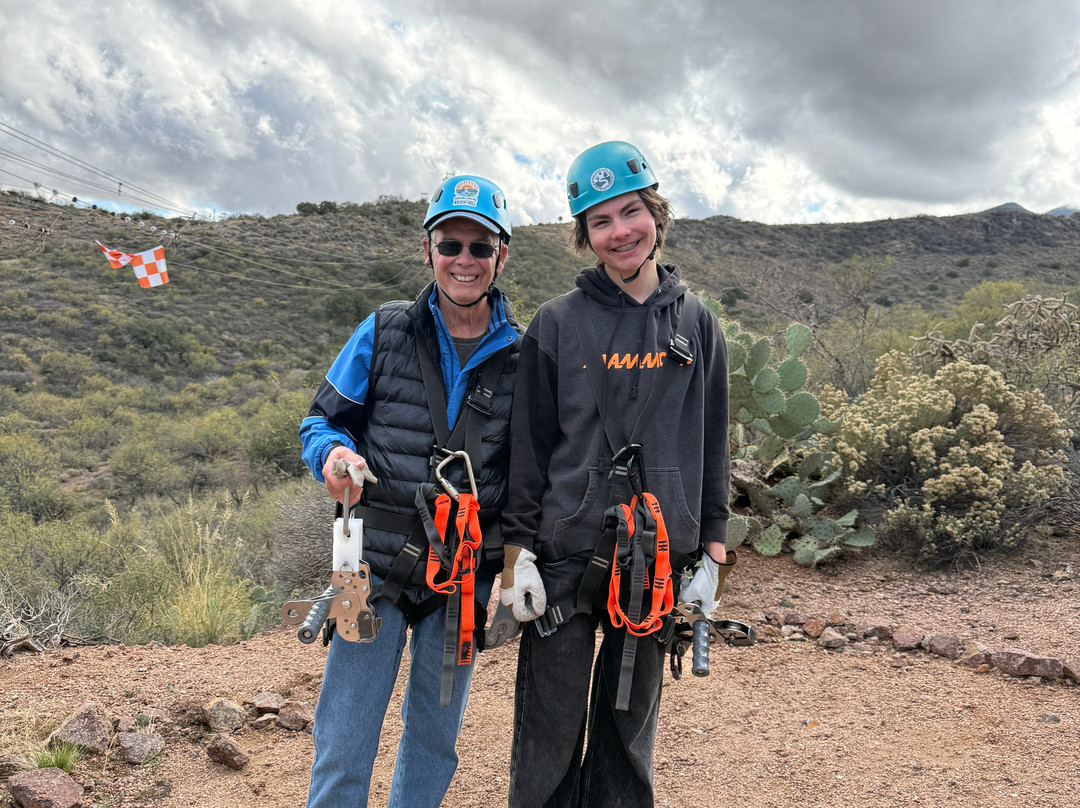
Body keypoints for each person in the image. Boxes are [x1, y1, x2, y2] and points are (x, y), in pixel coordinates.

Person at [500, 141, 732, 808]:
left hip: (655, 556)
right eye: (600, 222)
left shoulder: (697, 325)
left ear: (655, 213)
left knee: (627, 739)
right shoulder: (555, 325)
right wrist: (517, 554)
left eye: (630, 212)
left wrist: (712, 553)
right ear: (585, 237)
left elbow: (711, 441)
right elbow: (530, 449)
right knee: (547, 734)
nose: (620, 231)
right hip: (565, 553)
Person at [298, 174, 520, 808]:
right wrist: (333, 453)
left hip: (465, 577)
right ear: (429, 251)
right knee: (345, 732)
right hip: (366, 567)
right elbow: (322, 419)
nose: (465, 261)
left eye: (481, 247)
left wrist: (515, 557)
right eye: (451, 245)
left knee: (435, 737)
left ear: (501, 256)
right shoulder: (382, 330)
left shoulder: (522, 358)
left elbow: (530, 469)